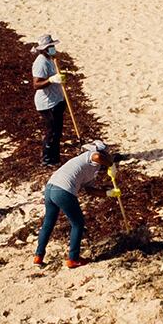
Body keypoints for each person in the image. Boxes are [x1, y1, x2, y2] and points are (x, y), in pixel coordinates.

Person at [35, 140, 118, 268]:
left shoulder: (90, 168)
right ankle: (73, 259)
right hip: (63, 190)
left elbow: (89, 190)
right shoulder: (90, 156)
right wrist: (111, 165)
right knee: (78, 223)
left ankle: (38, 256)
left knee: (48, 222)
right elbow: (97, 156)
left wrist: (108, 193)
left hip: (50, 188)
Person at [29, 33, 65, 166]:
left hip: (57, 99)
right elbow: (36, 84)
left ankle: (55, 159)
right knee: (52, 132)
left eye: (52, 46)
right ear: (44, 48)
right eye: (50, 47)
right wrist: (51, 80)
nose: (52, 48)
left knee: (57, 132)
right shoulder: (40, 62)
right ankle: (47, 159)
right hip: (47, 103)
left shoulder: (51, 59)